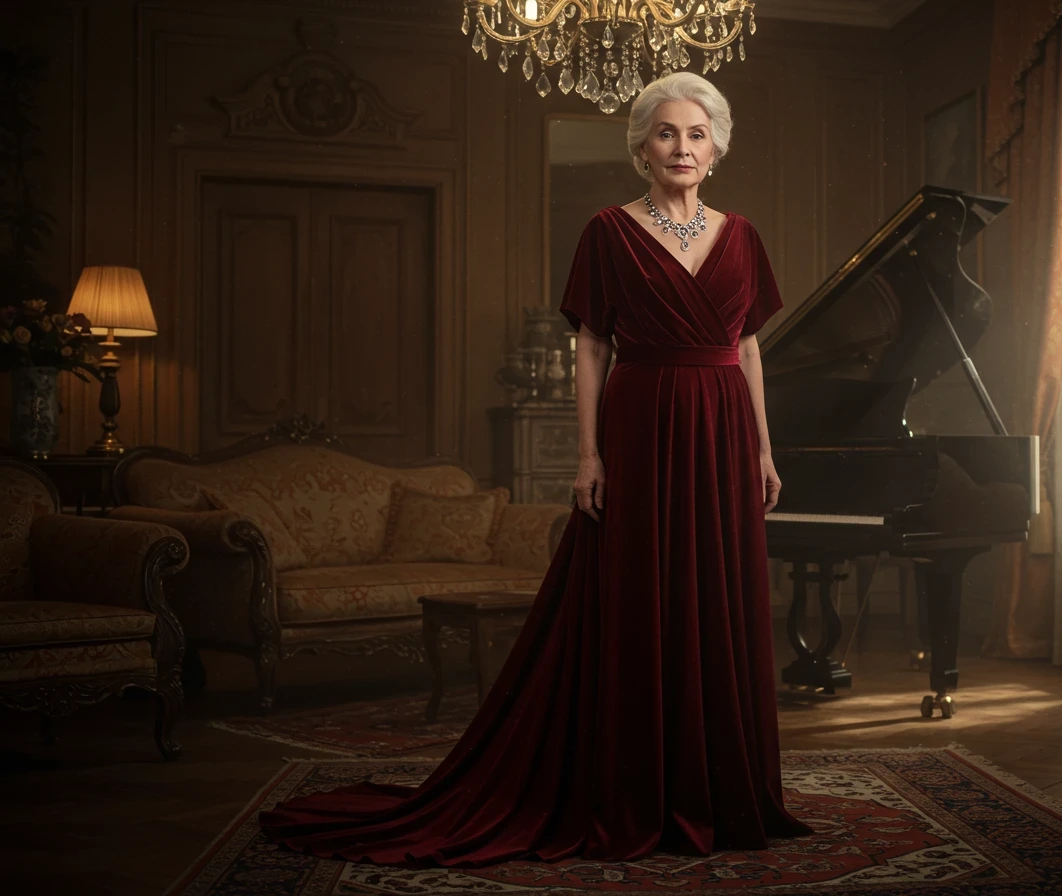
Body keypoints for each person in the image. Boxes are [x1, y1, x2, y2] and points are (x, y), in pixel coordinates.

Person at [258, 71, 814, 867]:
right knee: (638, 591)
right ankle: (634, 783)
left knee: (715, 589)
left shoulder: (743, 236)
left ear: (717, 148)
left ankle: (719, 785)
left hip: (723, 428)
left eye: (696, 134)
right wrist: (589, 454)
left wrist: (763, 448)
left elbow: (749, 347)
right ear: (641, 147)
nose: (681, 147)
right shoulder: (608, 230)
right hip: (641, 423)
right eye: (666, 133)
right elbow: (591, 346)